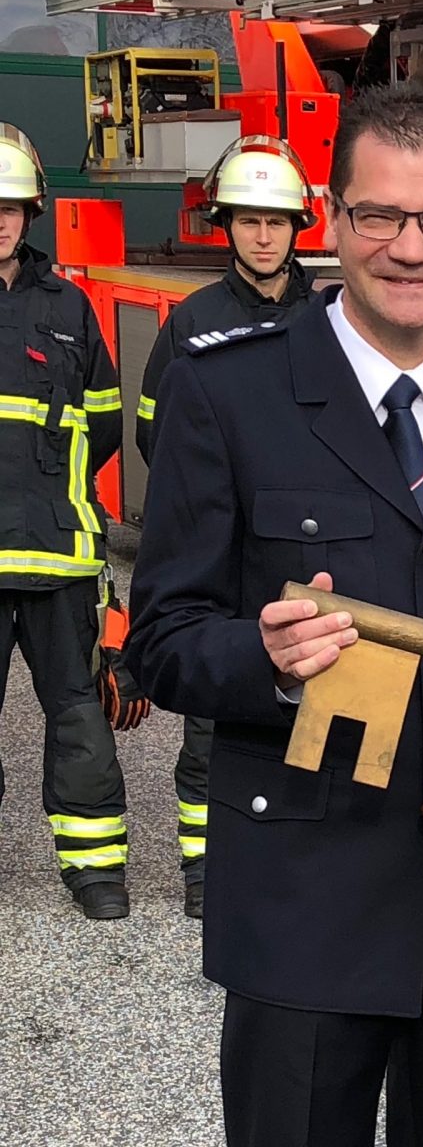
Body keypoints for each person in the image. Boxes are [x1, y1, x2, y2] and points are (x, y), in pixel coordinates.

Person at [125, 86, 423, 1147]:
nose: (410, 247)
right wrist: (268, 659)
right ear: (334, 218)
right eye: (380, 214)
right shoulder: (229, 393)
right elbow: (162, 641)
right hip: (303, 906)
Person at [135, 135, 321, 919]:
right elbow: (157, 432)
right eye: (248, 221)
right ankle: (207, 873)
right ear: (226, 226)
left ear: (297, 228)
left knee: (317, 697)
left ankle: (307, 862)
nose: (263, 236)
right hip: (228, 547)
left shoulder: (331, 317)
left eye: (277, 222)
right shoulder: (194, 323)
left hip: (310, 543)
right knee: (217, 713)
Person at [0, 123, 128, 919]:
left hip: (57, 559)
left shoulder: (69, 309)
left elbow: (107, 423)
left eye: (10, 208)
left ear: (32, 214)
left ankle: (95, 873)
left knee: (80, 719)